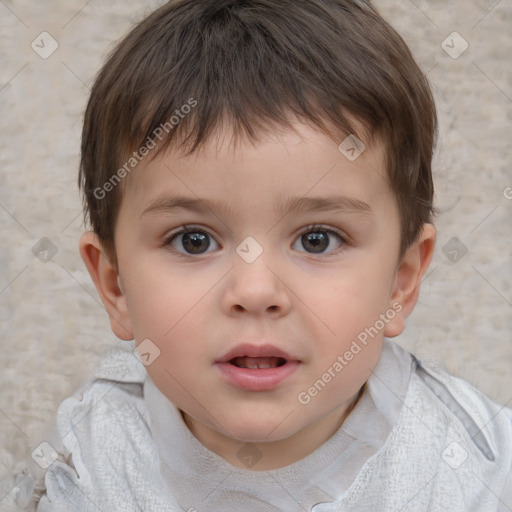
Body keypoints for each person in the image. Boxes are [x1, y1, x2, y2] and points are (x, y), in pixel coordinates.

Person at [2, 0, 511, 510]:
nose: (255, 292)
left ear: (401, 282)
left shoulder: (474, 466)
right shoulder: (88, 458)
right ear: (116, 287)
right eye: (193, 240)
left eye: (317, 239)